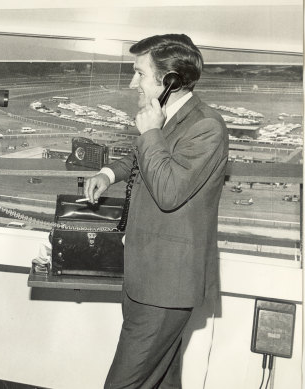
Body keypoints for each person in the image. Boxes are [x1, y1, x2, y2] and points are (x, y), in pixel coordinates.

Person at [84, 34, 228, 388]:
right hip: (146, 275)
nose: (133, 82)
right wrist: (108, 173)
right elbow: (144, 157)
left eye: (140, 74)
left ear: (170, 81)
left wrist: (149, 132)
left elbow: (169, 191)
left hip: (167, 285)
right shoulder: (169, 118)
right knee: (162, 380)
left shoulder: (206, 126)